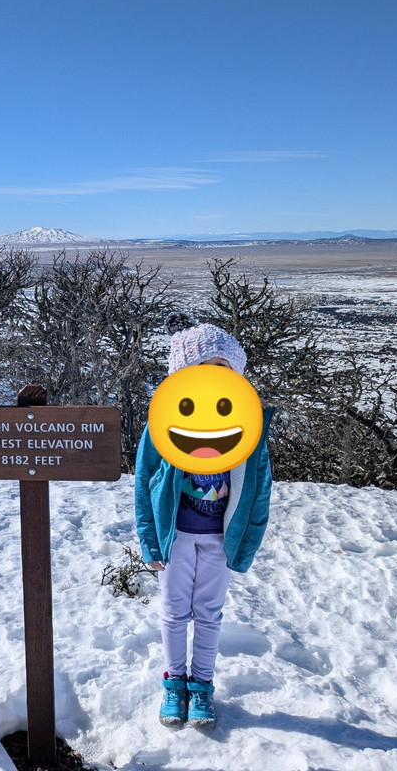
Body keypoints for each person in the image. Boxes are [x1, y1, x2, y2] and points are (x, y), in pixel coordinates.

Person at [134, 312, 273, 730]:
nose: (211, 379)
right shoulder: (162, 424)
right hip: (175, 536)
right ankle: (174, 683)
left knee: (209, 614)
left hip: (219, 538)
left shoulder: (249, 425)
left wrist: (245, 544)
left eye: (220, 369)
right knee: (175, 612)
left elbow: (260, 486)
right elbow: (144, 482)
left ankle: (202, 687)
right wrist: (150, 542)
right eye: (200, 370)